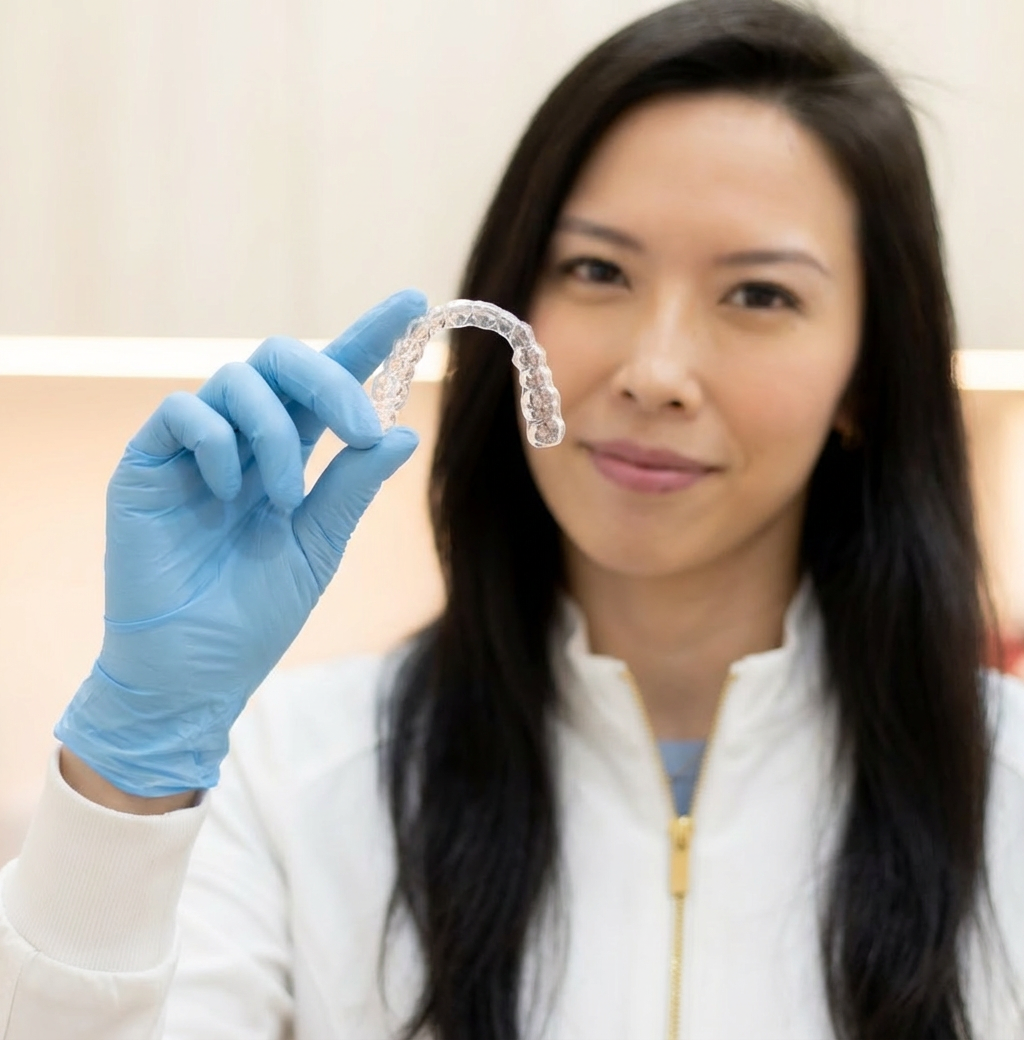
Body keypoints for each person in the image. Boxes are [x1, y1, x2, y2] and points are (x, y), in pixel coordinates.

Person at [1, 0, 1022, 1037]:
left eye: (758, 295)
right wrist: (127, 771)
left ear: (866, 372)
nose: (655, 370)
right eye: (596, 270)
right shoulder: (294, 777)